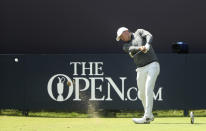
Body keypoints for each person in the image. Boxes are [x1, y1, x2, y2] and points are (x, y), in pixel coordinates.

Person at [116, 27, 160, 124]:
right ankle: (150, 115)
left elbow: (149, 35)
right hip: (140, 69)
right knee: (141, 93)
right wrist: (140, 48)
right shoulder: (125, 46)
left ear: (126, 32)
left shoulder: (139, 32)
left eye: (121, 36)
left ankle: (147, 117)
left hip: (152, 65)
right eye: (120, 38)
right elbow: (131, 48)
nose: (121, 39)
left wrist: (147, 44)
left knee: (148, 88)